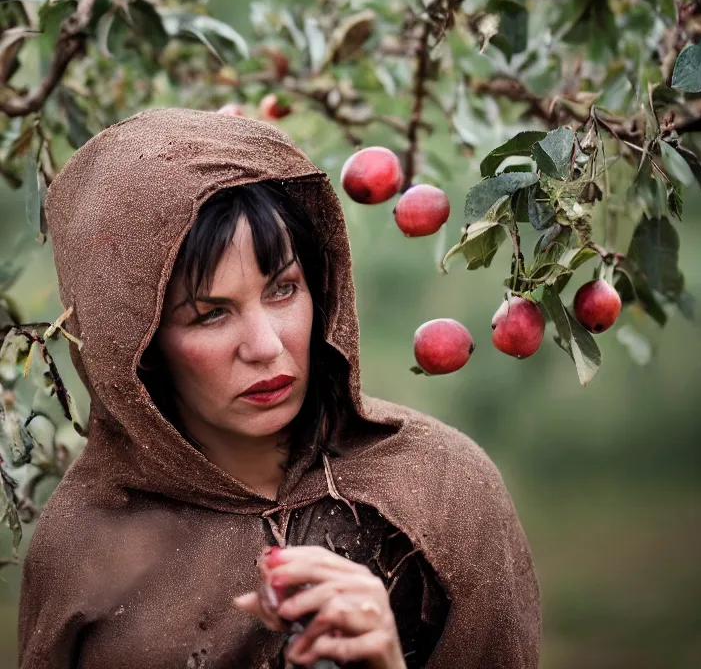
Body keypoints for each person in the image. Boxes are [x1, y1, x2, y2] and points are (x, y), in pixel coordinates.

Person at [18, 108, 541, 669]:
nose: (265, 346)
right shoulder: (82, 547)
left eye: (283, 290)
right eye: (210, 315)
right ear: (137, 348)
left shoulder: (442, 491)